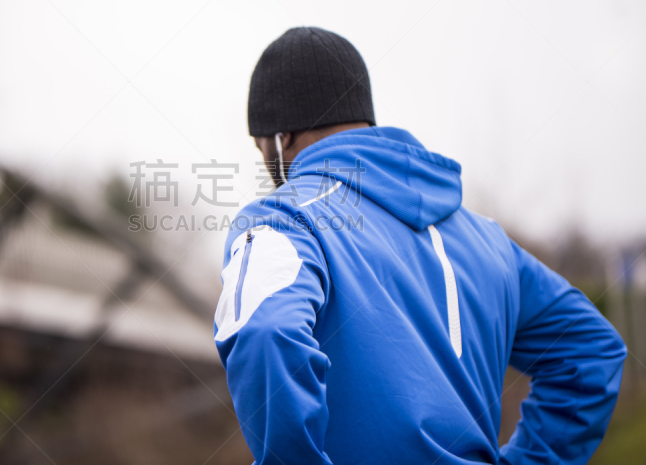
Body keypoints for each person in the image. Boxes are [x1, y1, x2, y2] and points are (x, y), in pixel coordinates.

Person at [213, 27, 627, 465]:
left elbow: (266, 331)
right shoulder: (491, 242)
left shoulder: (283, 219)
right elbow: (592, 351)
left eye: (260, 145)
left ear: (281, 138)